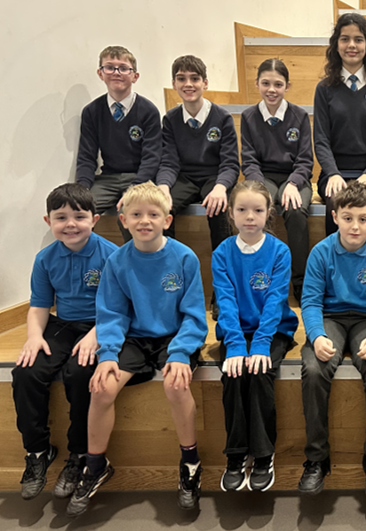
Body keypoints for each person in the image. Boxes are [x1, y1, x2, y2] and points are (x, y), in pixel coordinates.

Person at [66, 182, 207, 517]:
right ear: (124, 220)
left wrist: (180, 353)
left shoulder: (184, 257)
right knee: (101, 388)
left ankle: (190, 463)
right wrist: (107, 355)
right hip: (134, 338)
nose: (145, 220)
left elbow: (194, 315)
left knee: (176, 385)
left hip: (175, 337)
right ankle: (96, 465)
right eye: (137, 214)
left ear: (167, 220)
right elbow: (112, 314)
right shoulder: (117, 261)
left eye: (153, 214)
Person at [13, 184, 118, 500]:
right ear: (48, 222)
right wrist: (34, 337)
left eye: (79, 216)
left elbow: (119, 307)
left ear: (94, 219)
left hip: (101, 324)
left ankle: (80, 454)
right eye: (61, 217)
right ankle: (37, 451)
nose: (70, 224)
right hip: (62, 326)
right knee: (26, 371)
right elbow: (39, 305)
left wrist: (95, 335)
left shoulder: (111, 255)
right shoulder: (45, 259)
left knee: (80, 373)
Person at [297, 181, 366, 507]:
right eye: (348, 218)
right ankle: (316, 458)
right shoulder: (321, 253)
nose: (355, 226)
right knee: (314, 368)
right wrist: (317, 335)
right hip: (332, 318)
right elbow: (311, 301)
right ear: (335, 217)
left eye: (363, 219)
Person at [212, 181, 299, 492]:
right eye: (242, 209)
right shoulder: (222, 253)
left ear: (268, 212)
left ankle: (263, 454)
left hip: (272, 330)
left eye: (258, 210)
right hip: (235, 329)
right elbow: (225, 302)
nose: (250, 216)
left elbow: (275, 301)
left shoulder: (279, 251)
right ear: (231, 213)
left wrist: (261, 344)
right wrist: (236, 344)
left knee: (261, 371)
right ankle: (236, 454)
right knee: (233, 374)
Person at [314, 13, 366, 237]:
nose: (352, 45)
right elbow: (321, 141)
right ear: (336, 44)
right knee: (336, 203)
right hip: (334, 173)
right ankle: (334, 259)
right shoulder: (324, 89)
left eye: (358, 39)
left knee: (363, 204)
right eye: (345, 39)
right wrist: (332, 173)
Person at [157, 55, 238, 274]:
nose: (188, 84)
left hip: (214, 177)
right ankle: (170, 275)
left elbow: (230, 163)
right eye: (181, 79)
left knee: (218, 207)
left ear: (205, 83)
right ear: (174, 84)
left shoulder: (222, 117)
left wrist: (221, 187)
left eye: (194, 78)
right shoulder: (171, 119)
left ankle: (224, 280)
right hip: (184, 178)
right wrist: (163, 186)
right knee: (161, 207)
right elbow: (169, 161)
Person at [241, 58, 313, 304]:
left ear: (287, 86)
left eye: (278, 84)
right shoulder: (249, 116)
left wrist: (293, 183)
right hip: (263, 177)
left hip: (295, 177)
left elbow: (305, 160)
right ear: (257, 84)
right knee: (261, 209)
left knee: (295, 210)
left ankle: (301, 283)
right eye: (266, 83)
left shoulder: (299, 116)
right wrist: (260, 188)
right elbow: (249, 160)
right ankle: (264, 281)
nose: (271, 89)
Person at [76, 45, 162, 242]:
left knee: (131, 213)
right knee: (79, 211)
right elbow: (87, 156)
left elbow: (152, 157)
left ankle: (135, 258)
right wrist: (82, 189)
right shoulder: (92, 111)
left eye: (123, 68)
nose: (116, 72)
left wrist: (135, 186)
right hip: (108, 178)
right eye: (110, 67)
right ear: (100, 73)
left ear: (135, 76)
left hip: (140, 178)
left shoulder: (148, 111)